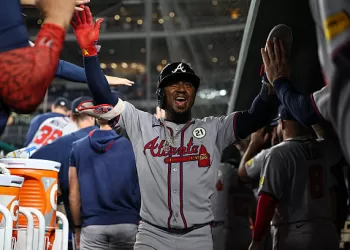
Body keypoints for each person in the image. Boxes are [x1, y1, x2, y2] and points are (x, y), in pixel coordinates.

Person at [69, 7, 285, 250]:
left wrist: (270, 84)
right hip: (152, 236)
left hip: (199, 237)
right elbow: (103, 96)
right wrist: (89, 53)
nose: (181, 88)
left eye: (188, 84)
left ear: (194, 94)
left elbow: (256, 117)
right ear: (161, 95)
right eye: (173, 84)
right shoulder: (140, 124)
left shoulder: (214, 129)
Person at [248, 106, 340, 250]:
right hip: (327, 230)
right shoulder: (324, 148)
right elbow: (333, 192)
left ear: (282, 123)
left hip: (295, 232)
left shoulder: (277, 153)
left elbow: (267, 200)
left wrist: (257, 239)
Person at [69, 118, 140, 250]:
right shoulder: (133, 147)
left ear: (96, 118)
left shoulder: (77, 147)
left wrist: (77, 228)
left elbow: (73, 196)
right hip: (127, 224)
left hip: (92, 226)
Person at [30, 96, 97, 234]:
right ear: (94, 116)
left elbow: (33, 160)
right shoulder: (119, 140)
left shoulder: (64, 143)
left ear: (71, 117)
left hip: (80, 222)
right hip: (120, 219)